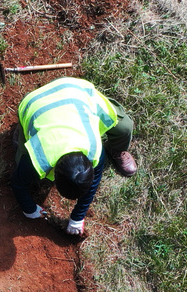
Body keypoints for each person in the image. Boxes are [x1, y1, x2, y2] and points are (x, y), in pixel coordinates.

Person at [10, 77, 137, 235]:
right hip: (36, 103)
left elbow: (94, 181)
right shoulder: (41, 156)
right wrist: (29, 209)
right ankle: (23, 129)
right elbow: (18, 183)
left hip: (78, 93)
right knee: (21, 163)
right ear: (55, 172)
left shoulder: (95, 149)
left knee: (125, 127)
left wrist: (78, 217)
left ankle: (117, 150)